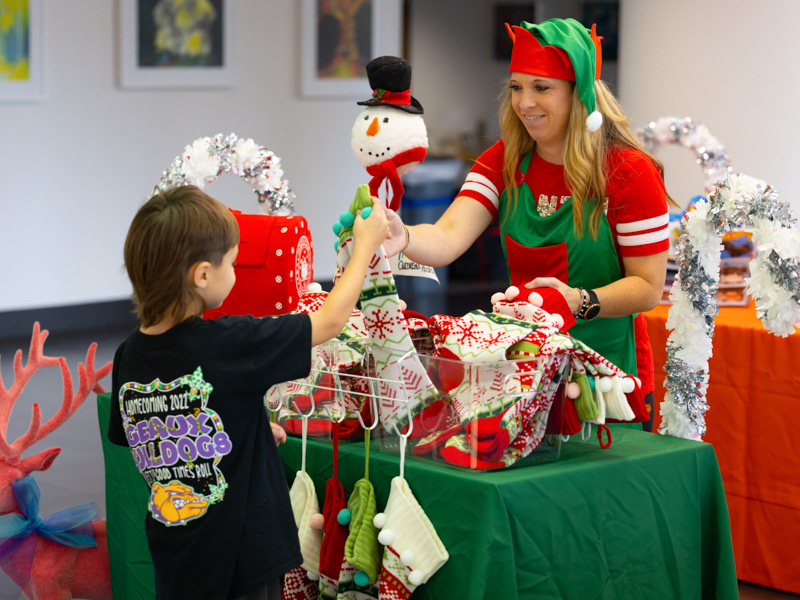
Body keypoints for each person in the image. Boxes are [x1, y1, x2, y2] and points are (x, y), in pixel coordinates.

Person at [383, 18, 673, 431]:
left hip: (606, 382)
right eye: (517, 87)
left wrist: (578, 300)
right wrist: (404, 234)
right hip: (523, 371)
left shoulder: (628, 171)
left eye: (541, 87)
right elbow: (447, 237)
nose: (524, 102)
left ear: (580, 93)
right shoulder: (505, 160)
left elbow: (647, 287)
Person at [107, 185, 388, 600]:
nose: (235, 273)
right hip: (245, 558)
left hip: (177, 555)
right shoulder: (230, 342)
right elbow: (328, 322)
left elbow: (165, 432)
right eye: (233, 263)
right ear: (202, 275)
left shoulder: (128, 356)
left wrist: (245, 431)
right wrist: (364, 248)